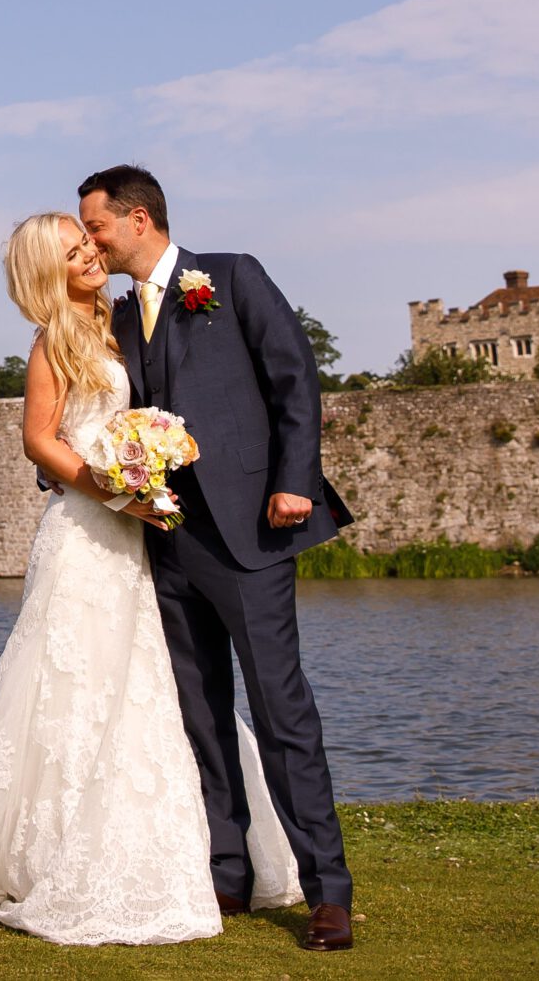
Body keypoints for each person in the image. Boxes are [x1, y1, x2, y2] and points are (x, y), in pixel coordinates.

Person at [0, 212, 301, 944]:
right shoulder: (53, 341)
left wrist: (147, 473)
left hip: (138, 535)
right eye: (75, 253)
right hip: (88, 534)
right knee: (79, 685)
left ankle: (203, 847)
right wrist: (112, 490)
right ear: (51, 272)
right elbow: (39, 440)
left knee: (154, 681)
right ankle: (57, 850)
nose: (92, 255)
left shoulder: (118, 322)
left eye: (89, 243)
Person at [79, 163, 358, 953]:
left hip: (251, 534)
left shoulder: (231, 279)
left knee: (280, 708)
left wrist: (294, 481)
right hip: (166, 539)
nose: (91, 243)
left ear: (138, 219)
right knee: (200, 714)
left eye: (96, 226)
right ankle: (227, 871)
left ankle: (328, 891)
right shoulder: (118, 316)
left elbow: (294, 378)